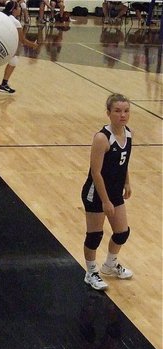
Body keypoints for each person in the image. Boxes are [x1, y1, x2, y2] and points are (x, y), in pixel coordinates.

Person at [82, 93, 133, 291]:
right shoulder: (102, 138)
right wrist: (105, 200)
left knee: (122, 232)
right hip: (96, 193)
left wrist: (127, 183)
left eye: (126, 111)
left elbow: (124, 162)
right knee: (95, 235)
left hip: (115, 192)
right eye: (118, 111)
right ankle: (91, 272)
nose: (123, 115)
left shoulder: (128, 134)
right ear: (108, 113)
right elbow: (95, 172)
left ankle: (110, 265)